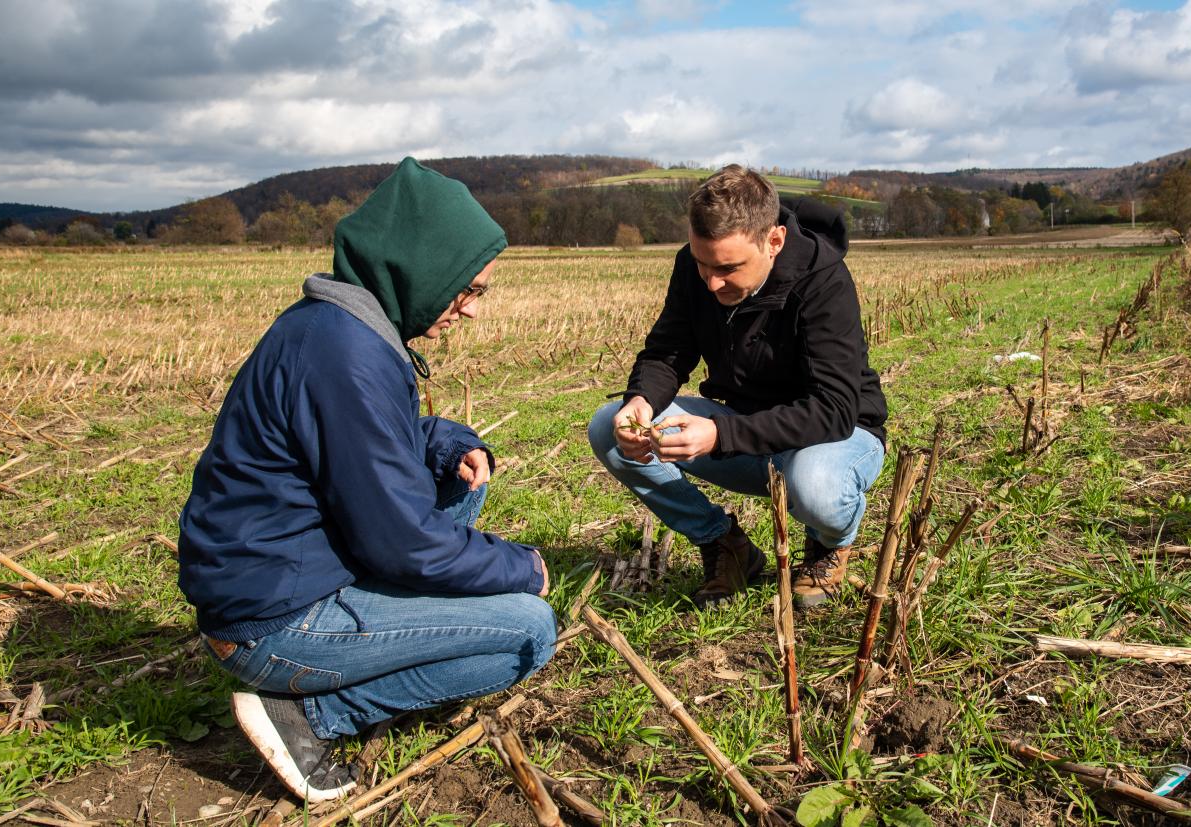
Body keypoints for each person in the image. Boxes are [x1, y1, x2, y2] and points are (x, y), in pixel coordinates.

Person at [177, 157, 554, 804]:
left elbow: (371, 447)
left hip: (287, 569)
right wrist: (522, 567)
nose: (468, 311)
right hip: (273, 616)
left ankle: (367, 634)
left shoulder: (343, 327)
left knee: (464, 486)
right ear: (419, 269)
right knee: (530, 629)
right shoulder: (344, 357)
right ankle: (309, 715)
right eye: (468, 289)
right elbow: (403, 541)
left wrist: (452, 444)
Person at [588, 165, 887, 609]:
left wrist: (719, 435)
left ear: (774, 241)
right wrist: (640, 402)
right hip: (747, 429)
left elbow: (834, 409)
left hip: (839, 436)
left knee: (815, 485)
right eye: (702, 263)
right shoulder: (697, 270)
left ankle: (829, 544)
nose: (711, 282)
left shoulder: (823, 280)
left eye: (727, 268)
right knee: (606, 428)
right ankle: (725, 544)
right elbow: (669, 350)